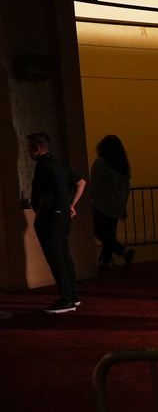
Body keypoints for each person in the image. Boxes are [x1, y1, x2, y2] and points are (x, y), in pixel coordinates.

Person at [28, 132, 87, 313]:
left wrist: (39, 217)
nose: (28, 152)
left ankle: (67, 300)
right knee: (65, 257)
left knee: (56, 260)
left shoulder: (43, 167)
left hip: (51, 218)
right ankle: (73, 296)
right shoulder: (59, 164)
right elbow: (81, 182)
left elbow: (45, 195)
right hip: (63, 217)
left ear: (37, 148)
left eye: (30, 148)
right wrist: (70, 204)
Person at [90, 134, 135, 270]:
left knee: (98, 231)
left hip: (102, 204)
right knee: (109, 234)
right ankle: (105, 262)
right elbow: (127, 187)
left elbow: (94, 183)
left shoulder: (102, 163)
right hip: (117, 204)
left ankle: (122, 251)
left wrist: (86, 199)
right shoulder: (124, 166)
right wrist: (123, 207)